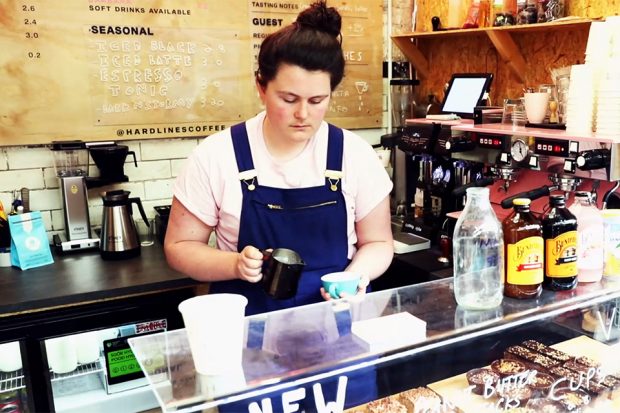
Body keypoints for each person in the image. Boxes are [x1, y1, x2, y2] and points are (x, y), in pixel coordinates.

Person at [165, 0, 393, 316]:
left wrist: (355, 276)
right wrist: (234, 264)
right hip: (249, 331)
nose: (303, 114)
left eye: (317, 100)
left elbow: (379, 243)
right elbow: (179, 249)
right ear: (261, 86)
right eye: (288, 99)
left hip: (338, 325)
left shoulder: (355, 155)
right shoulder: (217, 156)